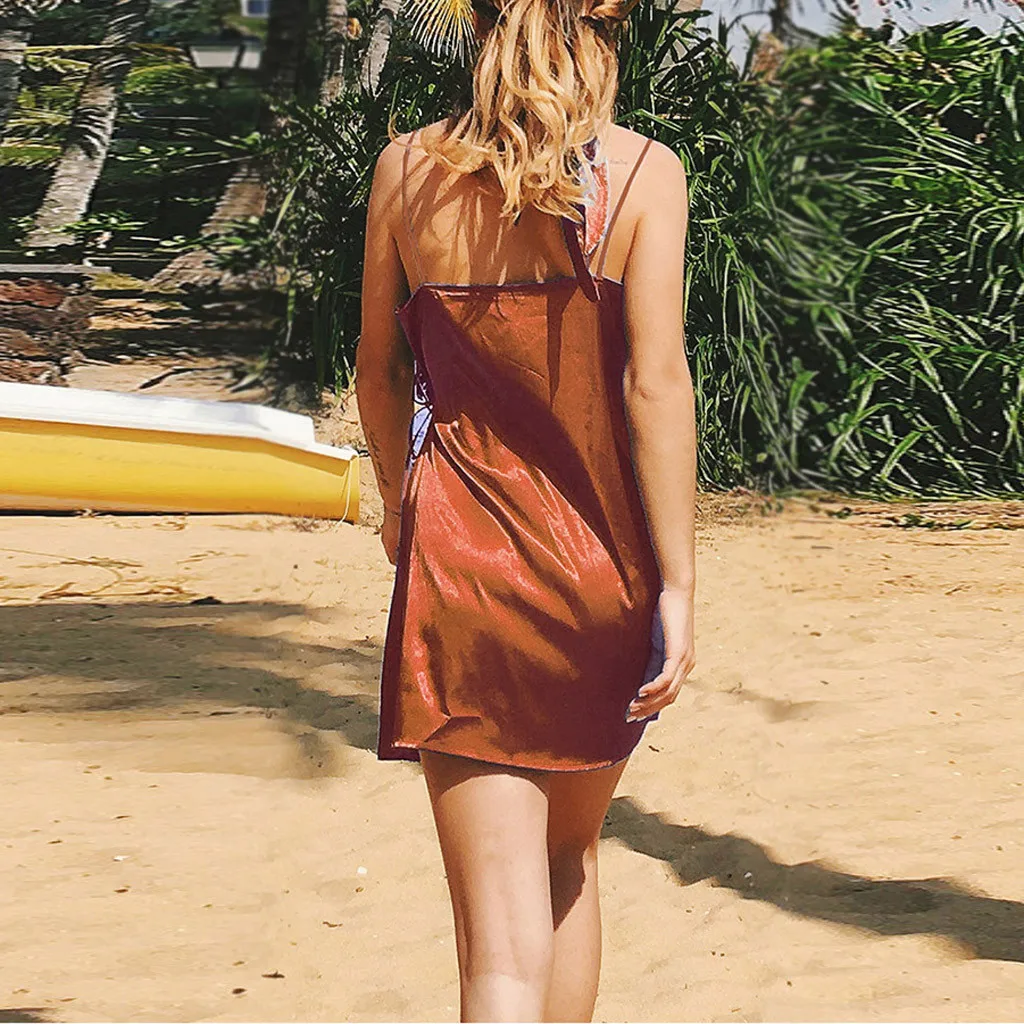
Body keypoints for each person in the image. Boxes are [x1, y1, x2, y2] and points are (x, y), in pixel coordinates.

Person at [356, 0, 697, 1015]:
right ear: (602, 36)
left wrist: (397, 501)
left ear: (479, 26)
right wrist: (677, 583)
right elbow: (655, 385)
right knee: (570, 861)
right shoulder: (646, 174)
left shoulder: (407, 170)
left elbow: (379, 369)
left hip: (460, 566)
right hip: (604, 573)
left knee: (497, 954)